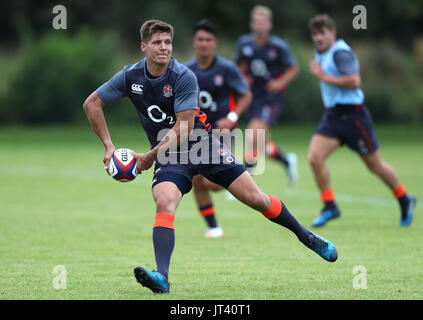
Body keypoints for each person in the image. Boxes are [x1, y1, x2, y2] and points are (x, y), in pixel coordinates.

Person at [83, 19, 338, 294]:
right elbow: (92, 103)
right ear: (143, 46)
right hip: (171, 155)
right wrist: (108, 146)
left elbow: (184, 128)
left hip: (202, 145)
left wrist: (148, 157)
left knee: (257, 199)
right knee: (165, 201)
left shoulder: (182, 76)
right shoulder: (129, 76)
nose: (164, 47)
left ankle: (307, 237)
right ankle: (162, 277)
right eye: (157, 42)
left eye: (168, 42)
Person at [307, 14, 416, 228]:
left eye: (322, 33)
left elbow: (354, 82)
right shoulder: (320, 52)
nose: (318, 38)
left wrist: (323, 77)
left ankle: (404, 199)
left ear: (332, 32)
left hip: (354, 117)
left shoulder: (340, 53)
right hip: (333, 116)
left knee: (375, 166)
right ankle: (330, 205)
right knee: (314, 157)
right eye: (314, 34)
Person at [185, 19, 252, 238]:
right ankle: (213, 227)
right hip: (195, 132)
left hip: (221, 132)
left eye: (208, 39)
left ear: (215, 43)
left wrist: (231, 117)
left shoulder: (227, 69)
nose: (204, 43)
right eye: (200, 39)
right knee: (196, 179)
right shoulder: (186, 71)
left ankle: (239, 172)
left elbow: (246, 95)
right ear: (194, 42)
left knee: (211, 182)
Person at [235, 5, 299, 185]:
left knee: (252, 135)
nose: (259, 26)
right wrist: (242, 79)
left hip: (270, 98)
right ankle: (287, 162)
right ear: (251, 25)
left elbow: (293, 69)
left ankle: (245, 182)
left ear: (269, 25)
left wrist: (280, 83)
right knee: (262, 145)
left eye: (263, 23)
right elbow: (238, 67)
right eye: (256, 22)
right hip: (251, 96)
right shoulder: (244, 43)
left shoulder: (278, 46)